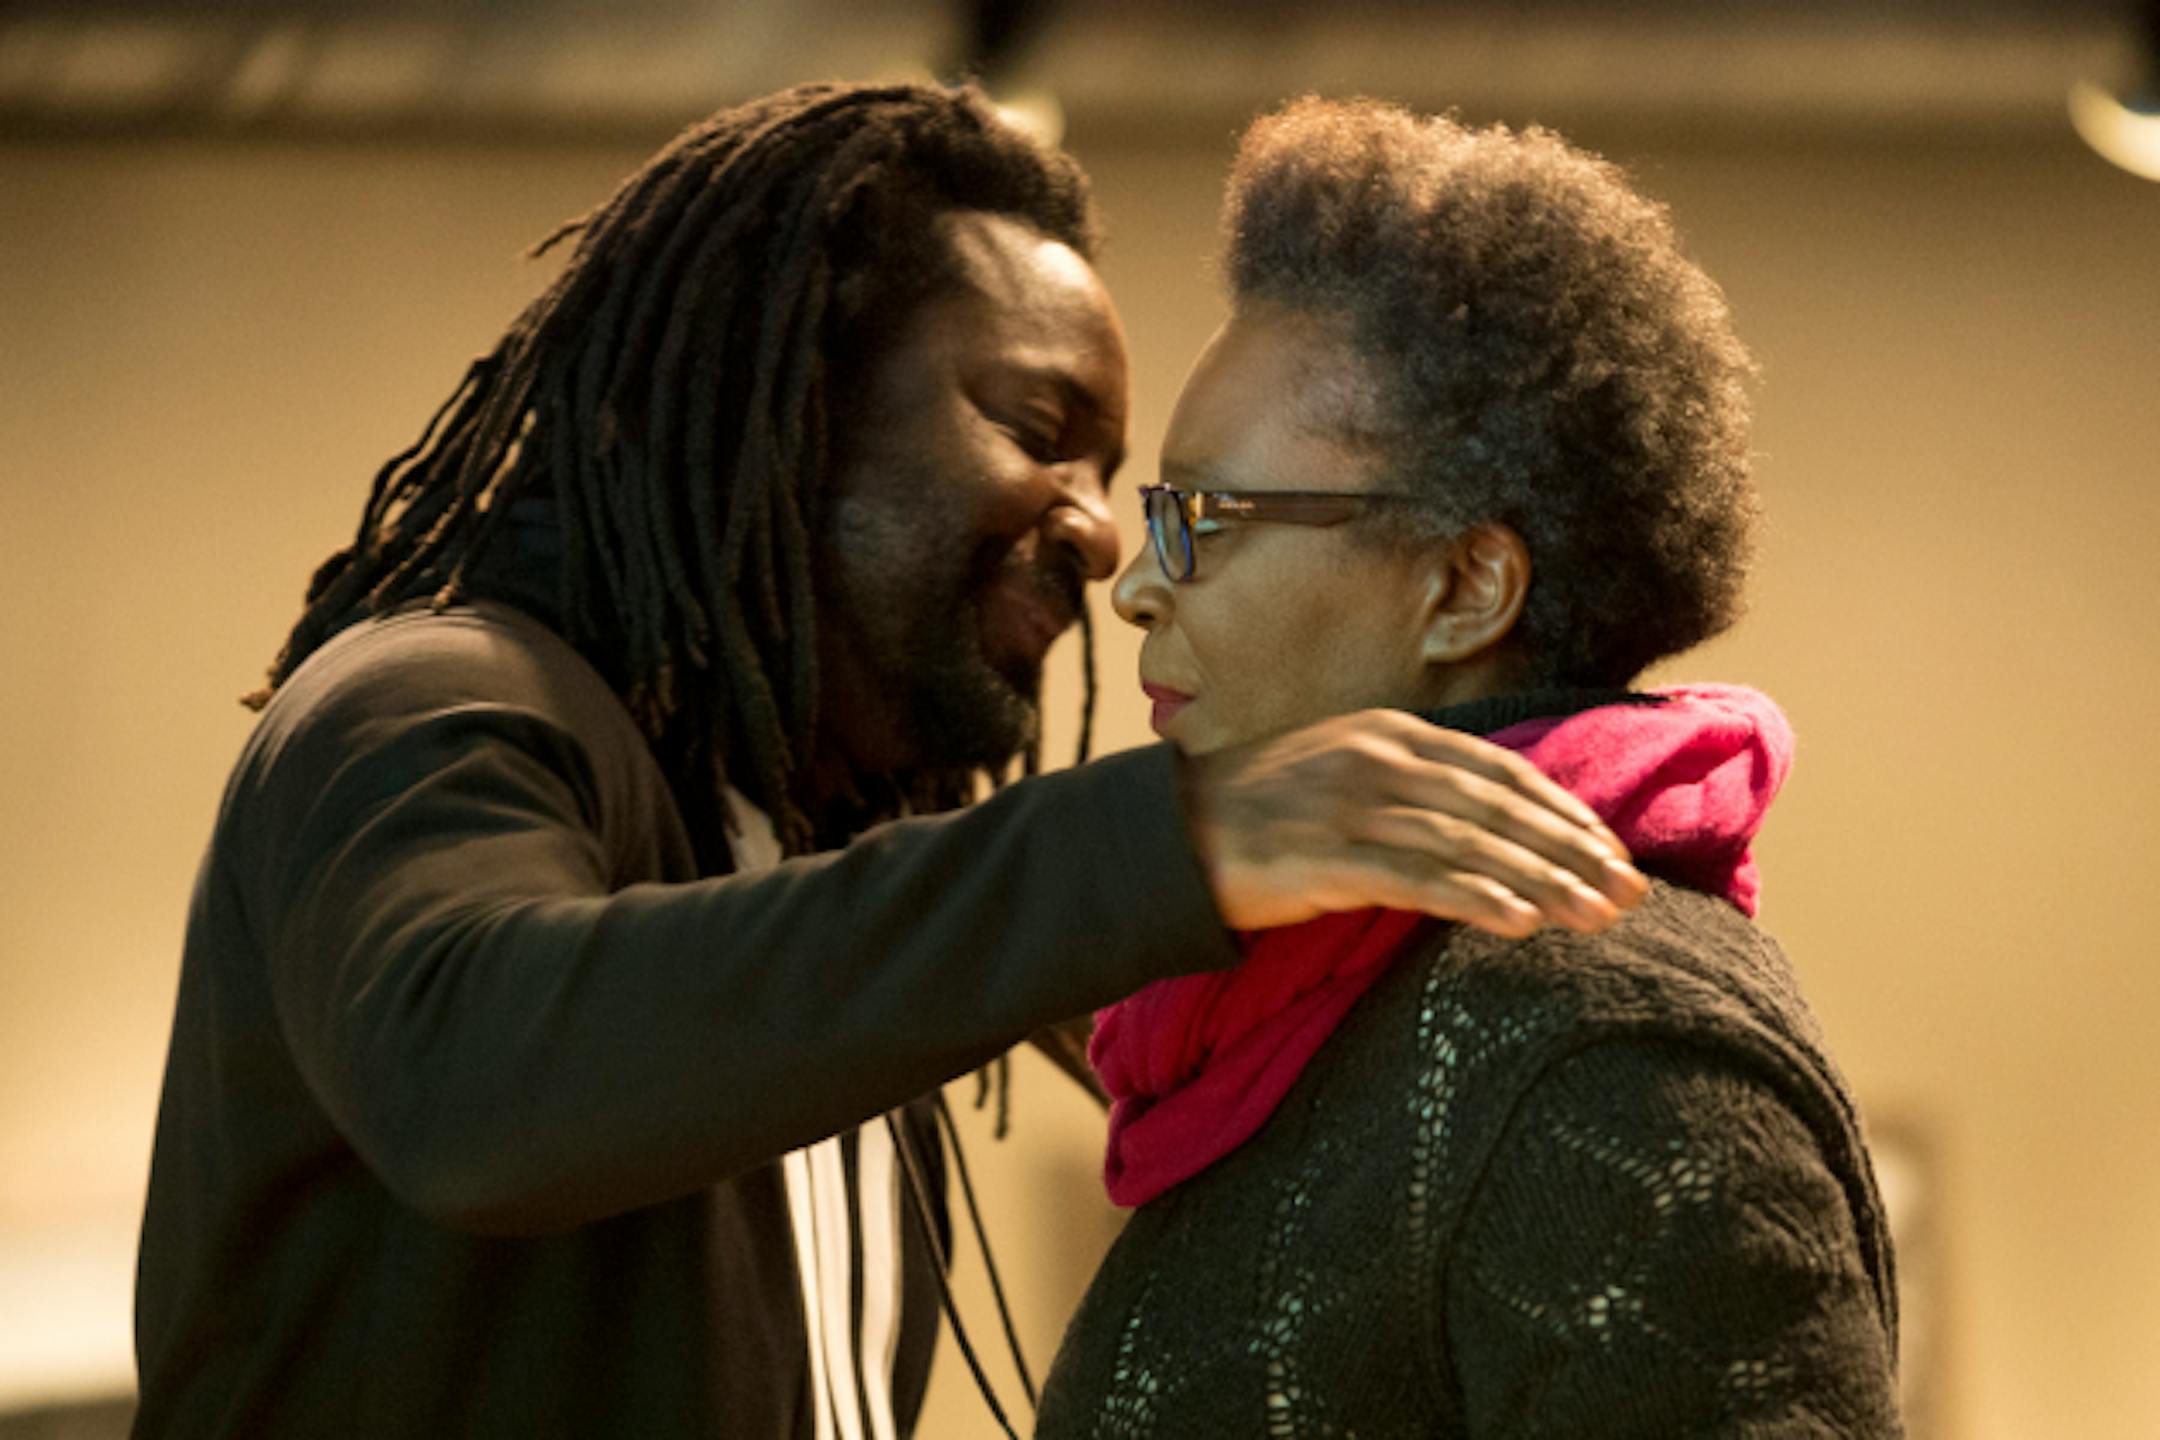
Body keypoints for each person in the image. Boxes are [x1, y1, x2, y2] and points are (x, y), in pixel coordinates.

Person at [129, 83, 1647, 1440]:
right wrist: (1166, 841)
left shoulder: (821, 869)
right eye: (1039, 428)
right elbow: (472, 1077)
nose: (1103, 531)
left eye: (1113, 475)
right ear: (796, 408)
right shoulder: (427, 702)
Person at [1034, 98, 1903, 1437]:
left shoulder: (1604, 1044)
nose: (1138, 586)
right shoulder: (1306, 1010)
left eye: (1201, 517)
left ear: (1462, 586)